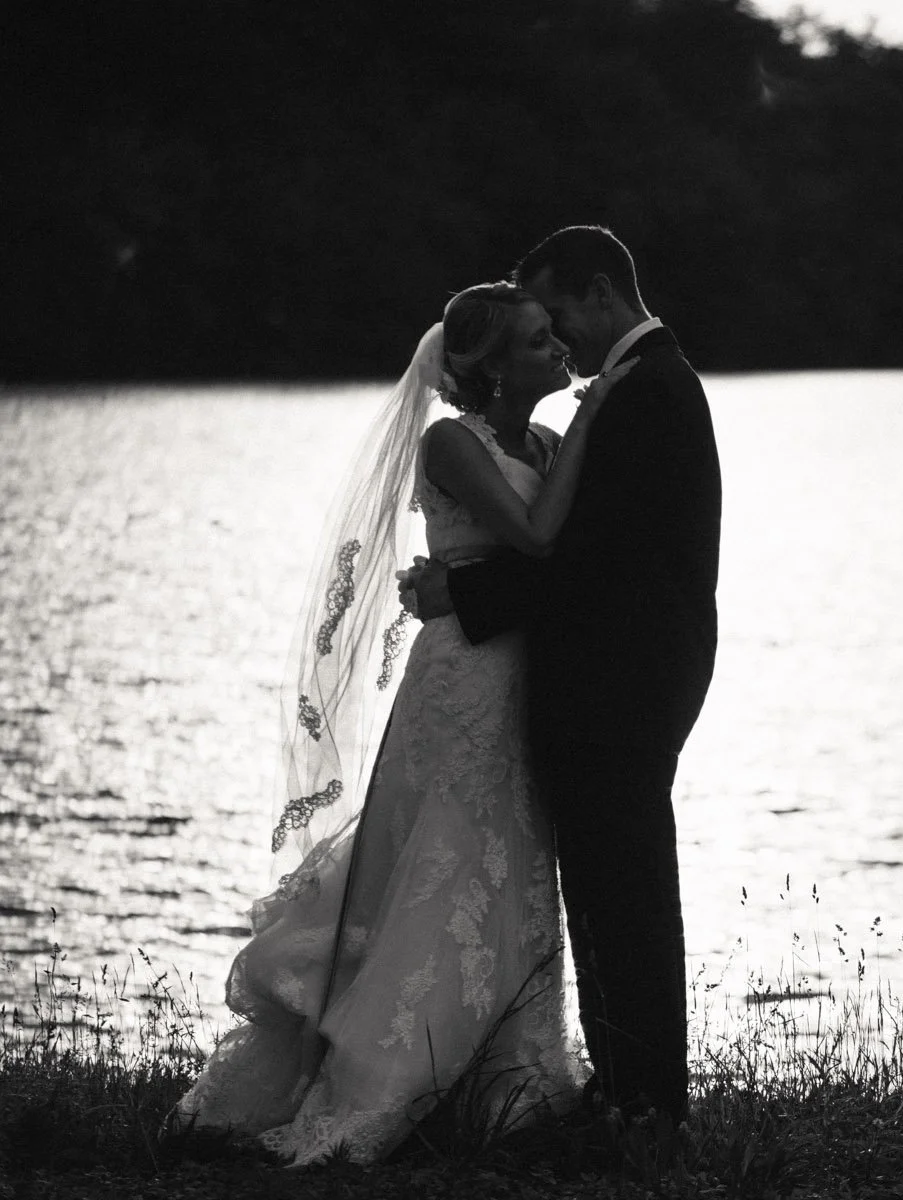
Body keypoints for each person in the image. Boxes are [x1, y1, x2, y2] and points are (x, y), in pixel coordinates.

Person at [172, 283, 637, 1164]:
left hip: (523, 672)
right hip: (463, 679)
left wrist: (571, 441)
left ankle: (509, 1075)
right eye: (538, 343)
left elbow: (568, 551)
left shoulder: (534, 439)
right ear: (493, 368)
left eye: (552, 338)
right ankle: (395, 1070)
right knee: (449, 855)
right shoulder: (450, 442)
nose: (559, 354)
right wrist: (590, 427)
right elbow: (536, 540)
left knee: (515, 858)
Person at [401, 225, 722, 1126]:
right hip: (615, 673)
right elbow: (587, 548)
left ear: (594, 294)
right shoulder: (640, 385)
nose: (561, 343)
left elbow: (592, 556)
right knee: (608, 882)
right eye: (537, 334)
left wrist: (461, 596)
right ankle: (626, 1086)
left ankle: (643, 1096)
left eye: (557, 319)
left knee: (622, 886)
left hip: (621, 681)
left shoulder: (644, 390)